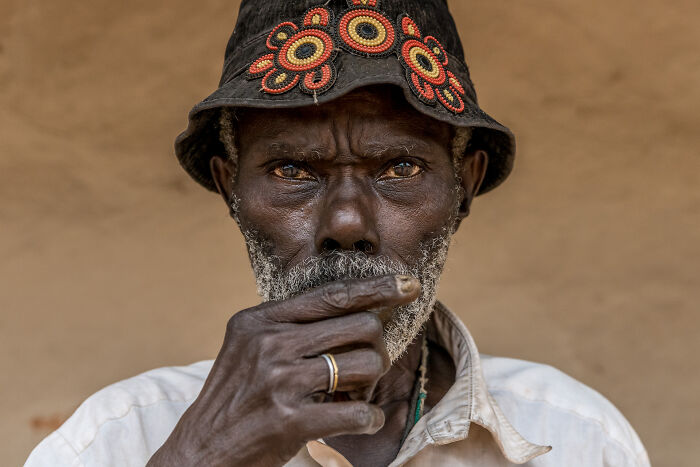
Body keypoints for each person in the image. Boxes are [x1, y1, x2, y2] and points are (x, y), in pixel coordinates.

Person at [26, 1, 650, 466]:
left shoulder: (574, 437)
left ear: (464, 185)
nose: (347, 224)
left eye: (399, 168)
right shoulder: (117, 438)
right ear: (230, 189)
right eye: (292, 170)